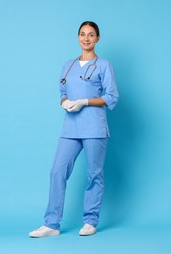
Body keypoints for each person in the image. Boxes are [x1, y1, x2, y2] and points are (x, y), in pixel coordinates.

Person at [29, 21, 119, 238]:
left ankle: (90, 220)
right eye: (82, 34)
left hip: (94, 127)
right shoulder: (68, 65)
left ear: (97, 38)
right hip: (71, 127)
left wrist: (85, 102)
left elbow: (112, 96)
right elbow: (62, 89)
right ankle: (51, 224)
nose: (86, 38)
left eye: (91, 35)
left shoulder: (103, 65)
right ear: (77, 37)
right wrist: (64, 101)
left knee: (94, 174)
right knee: (57, 171)